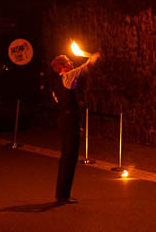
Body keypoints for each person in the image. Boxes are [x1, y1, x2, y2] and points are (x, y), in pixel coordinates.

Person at [51, 51, 101, 204]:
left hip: (64, 120)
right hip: (69, 120)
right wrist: (94, 56)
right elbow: (85, 67)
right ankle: (63, 196)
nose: (71, 63)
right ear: (63, 67)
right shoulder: (67, 77)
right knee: (69, 159)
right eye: (68, 62)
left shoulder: (58, 83)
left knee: (66, 158)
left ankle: (62, 194)